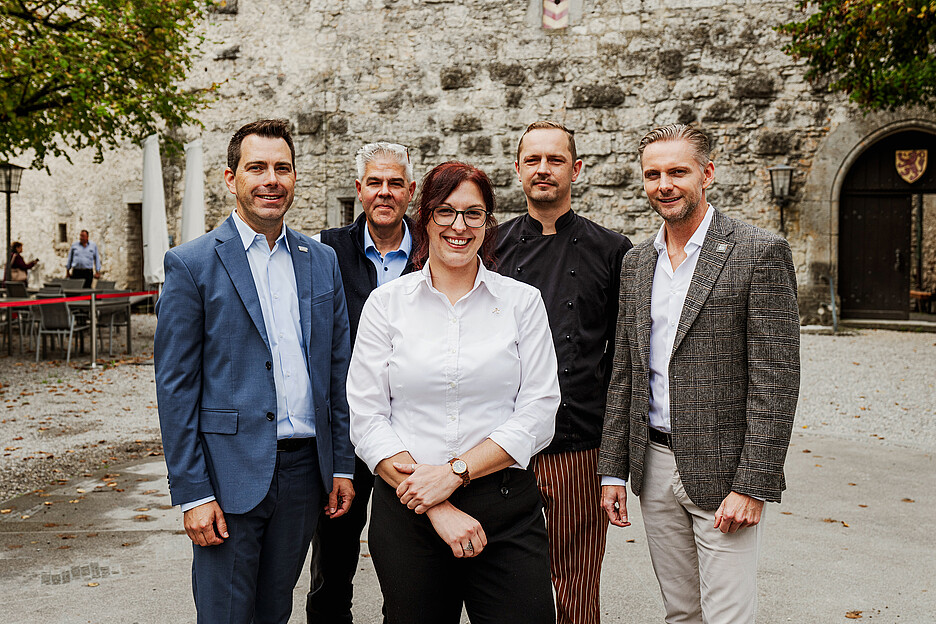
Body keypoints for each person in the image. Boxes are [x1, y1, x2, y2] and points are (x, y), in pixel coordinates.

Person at [154, 119, 355, 624]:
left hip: (303, 477)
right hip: (227, 478)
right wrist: (194, 492)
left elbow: (337, 372)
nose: (271, 179)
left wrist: (341, 464)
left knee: (274, 613)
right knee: (225, 615)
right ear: (230, 178)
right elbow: (176, 389)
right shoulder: (191, 264)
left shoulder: (321, 260)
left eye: (282, 169)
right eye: (257, 168)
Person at [598, 124, 800, 623]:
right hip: (655, 468)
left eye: (677, 172)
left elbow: (776, 382)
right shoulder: (636, 262)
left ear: (706, 174)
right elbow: (626, 370)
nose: (663, 184)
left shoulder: (758, 252)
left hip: (727, 473)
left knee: (727, 617)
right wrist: (612, 469)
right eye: (652, 174)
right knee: (681, 614)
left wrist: (754, 482)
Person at [348, 161, 559, 624]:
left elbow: (540, 410)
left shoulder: (522, 302)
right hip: (409, 511)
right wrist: (436, 502)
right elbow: (366, 418)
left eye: (473, 213)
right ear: (424, 218)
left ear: (488, 223)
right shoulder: (386, 305)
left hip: (505, 507)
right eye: (445, 212)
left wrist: (457, 472)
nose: (458, 226)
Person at [494, 120, 632, 624]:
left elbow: (624, 360)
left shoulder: (613, 250)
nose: (543, 170)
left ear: (576, 170)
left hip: (579, 446)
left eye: (555, 160)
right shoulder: (491, 247)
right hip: (503, 447)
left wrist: (616, 456)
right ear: (518, 170)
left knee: (577, 579)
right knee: (505, 579)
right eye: (533, 160)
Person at [306, 141, 417, 623]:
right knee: (333, 561)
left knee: (414, 564)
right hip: (346, 432)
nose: (385, 192)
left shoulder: (434, 250)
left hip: (415, 432)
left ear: (410, 190)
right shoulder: (325, 251)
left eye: (395, 183)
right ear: (359, 190)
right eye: (375, 182)